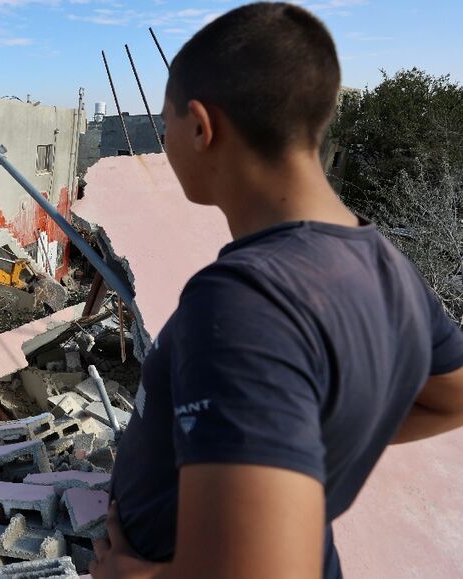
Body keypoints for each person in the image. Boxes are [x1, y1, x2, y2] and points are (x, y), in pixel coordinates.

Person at [91, 3, 463, 579]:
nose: (164, 141)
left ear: (200, 125)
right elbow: (452, 398)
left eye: (165, 123)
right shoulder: (392, 270)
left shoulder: (242, 303)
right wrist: (305, 455)